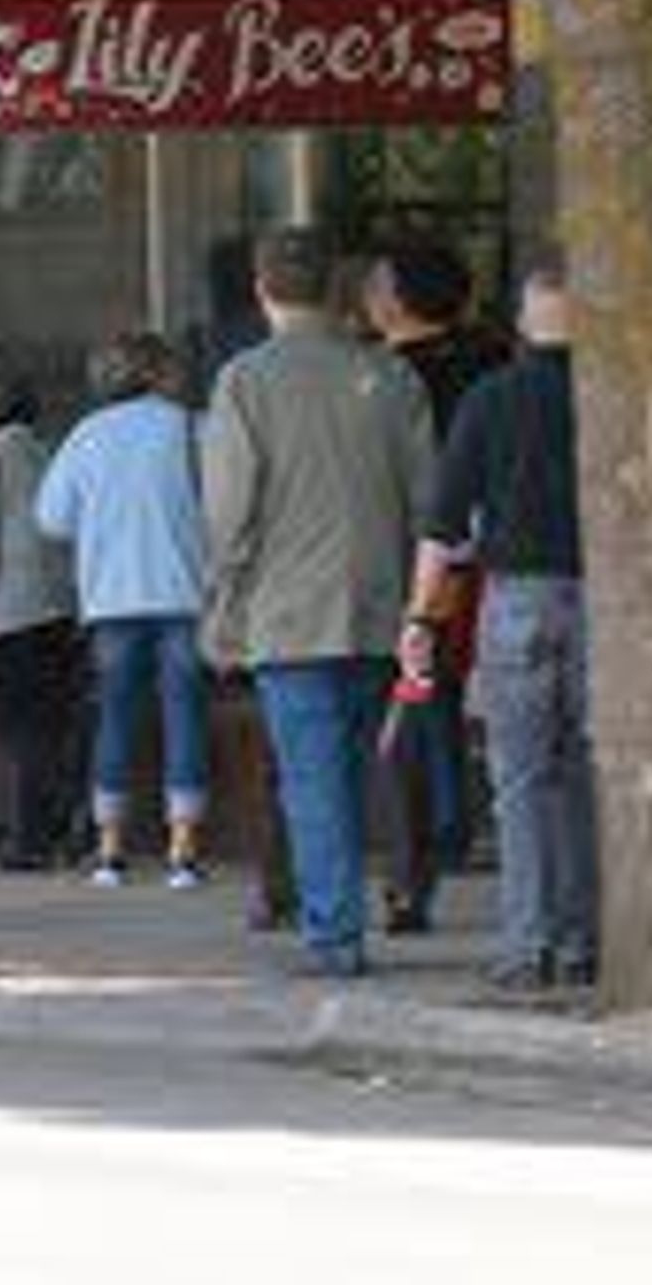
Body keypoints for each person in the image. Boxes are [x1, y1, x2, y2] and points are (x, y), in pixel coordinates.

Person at [202, 227, 433, 980]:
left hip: (288, 611)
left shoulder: (244, 381)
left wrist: (221, 601)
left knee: (312, 775)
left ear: (263, 290)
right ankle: (382, 899)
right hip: (379, 602)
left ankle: (336, 933)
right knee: (362, 766)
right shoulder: (391, 377)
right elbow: (428, 500)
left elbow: (231, 510)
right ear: (334, 288)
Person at [410, 259, 602, 991]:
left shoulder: (490, 401)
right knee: (585, 772)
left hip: (517, 599)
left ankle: (527, 946)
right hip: (603, 598)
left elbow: (443, 523)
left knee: (519, 779)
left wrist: (420, 618)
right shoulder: (611, 396)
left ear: (524, 321)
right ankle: (585, 937)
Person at [367, 242, 507, 935]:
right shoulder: (493, 362)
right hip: (488, 559)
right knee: (442, 692)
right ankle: (456, 818)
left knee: (417, 696)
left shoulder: (383, 378)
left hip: (421, 560)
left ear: (397, 299)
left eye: (377, 280)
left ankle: (426, 845)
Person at [38, 332, 213, 888]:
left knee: (115, 717)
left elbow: (52, 518)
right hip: (184, 595)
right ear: (161, 372)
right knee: (185, 716)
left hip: (112, 599)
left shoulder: (88, 436)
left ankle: (110, 850)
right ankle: (182, 849)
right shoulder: (193, 427)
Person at [0, 374, 90, 873]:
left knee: (17, 730)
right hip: (61, 607)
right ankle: (56, 825)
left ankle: (25, 836)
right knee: (52, 725)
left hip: (9, 613)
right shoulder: (52, 453)